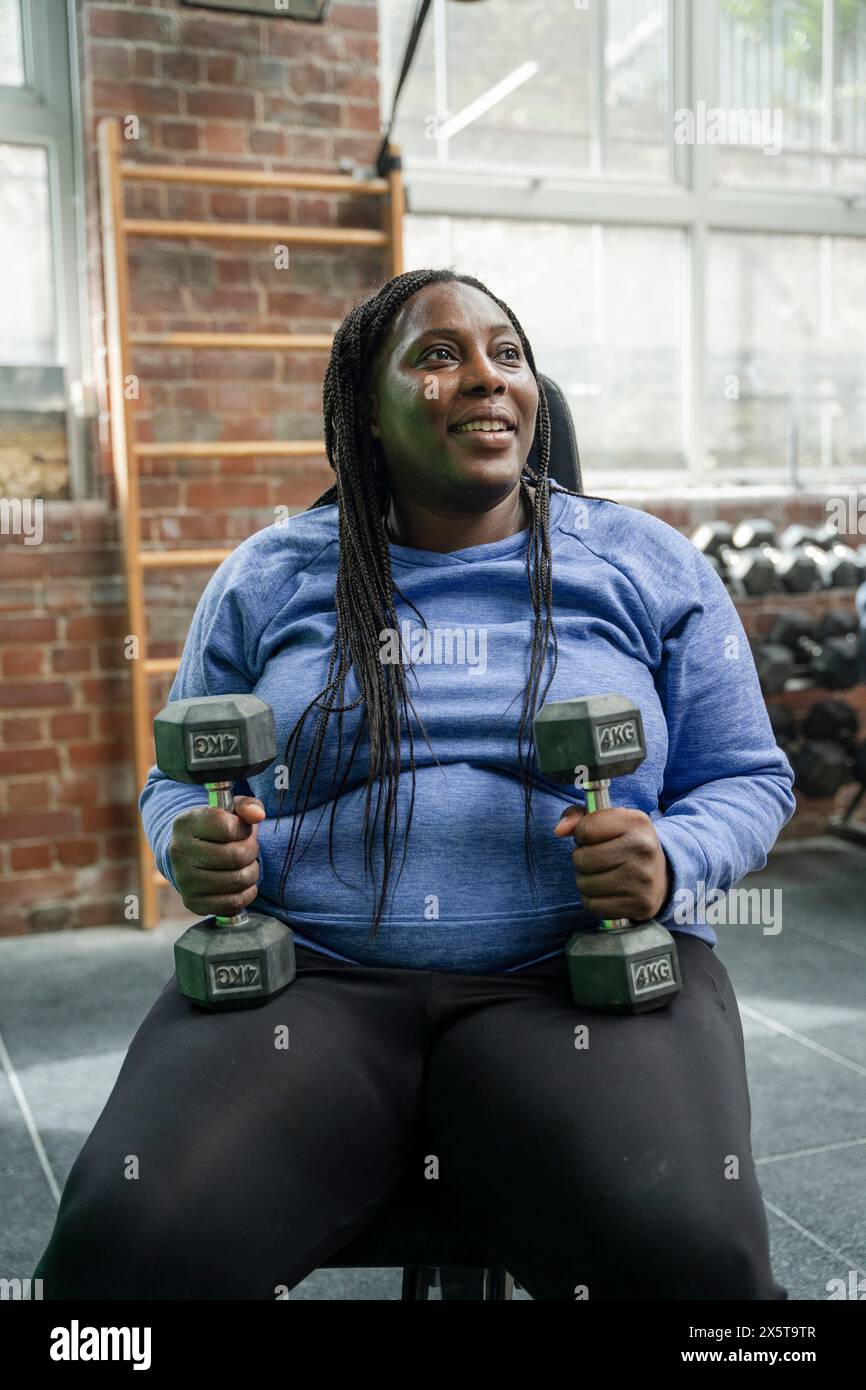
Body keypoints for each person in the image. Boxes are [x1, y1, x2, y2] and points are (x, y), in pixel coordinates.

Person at [34, 268, 795, 1300]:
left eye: (506, 355)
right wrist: (188, 844)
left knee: (697, 1263)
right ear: (367, 415)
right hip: (313, 979)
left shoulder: (641, 562)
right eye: (439, 356)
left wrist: (674, 857)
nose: (485, 378)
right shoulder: (270, 574)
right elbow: (177, 780)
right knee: (121, 1248)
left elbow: (747, 775)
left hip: (569, 973)